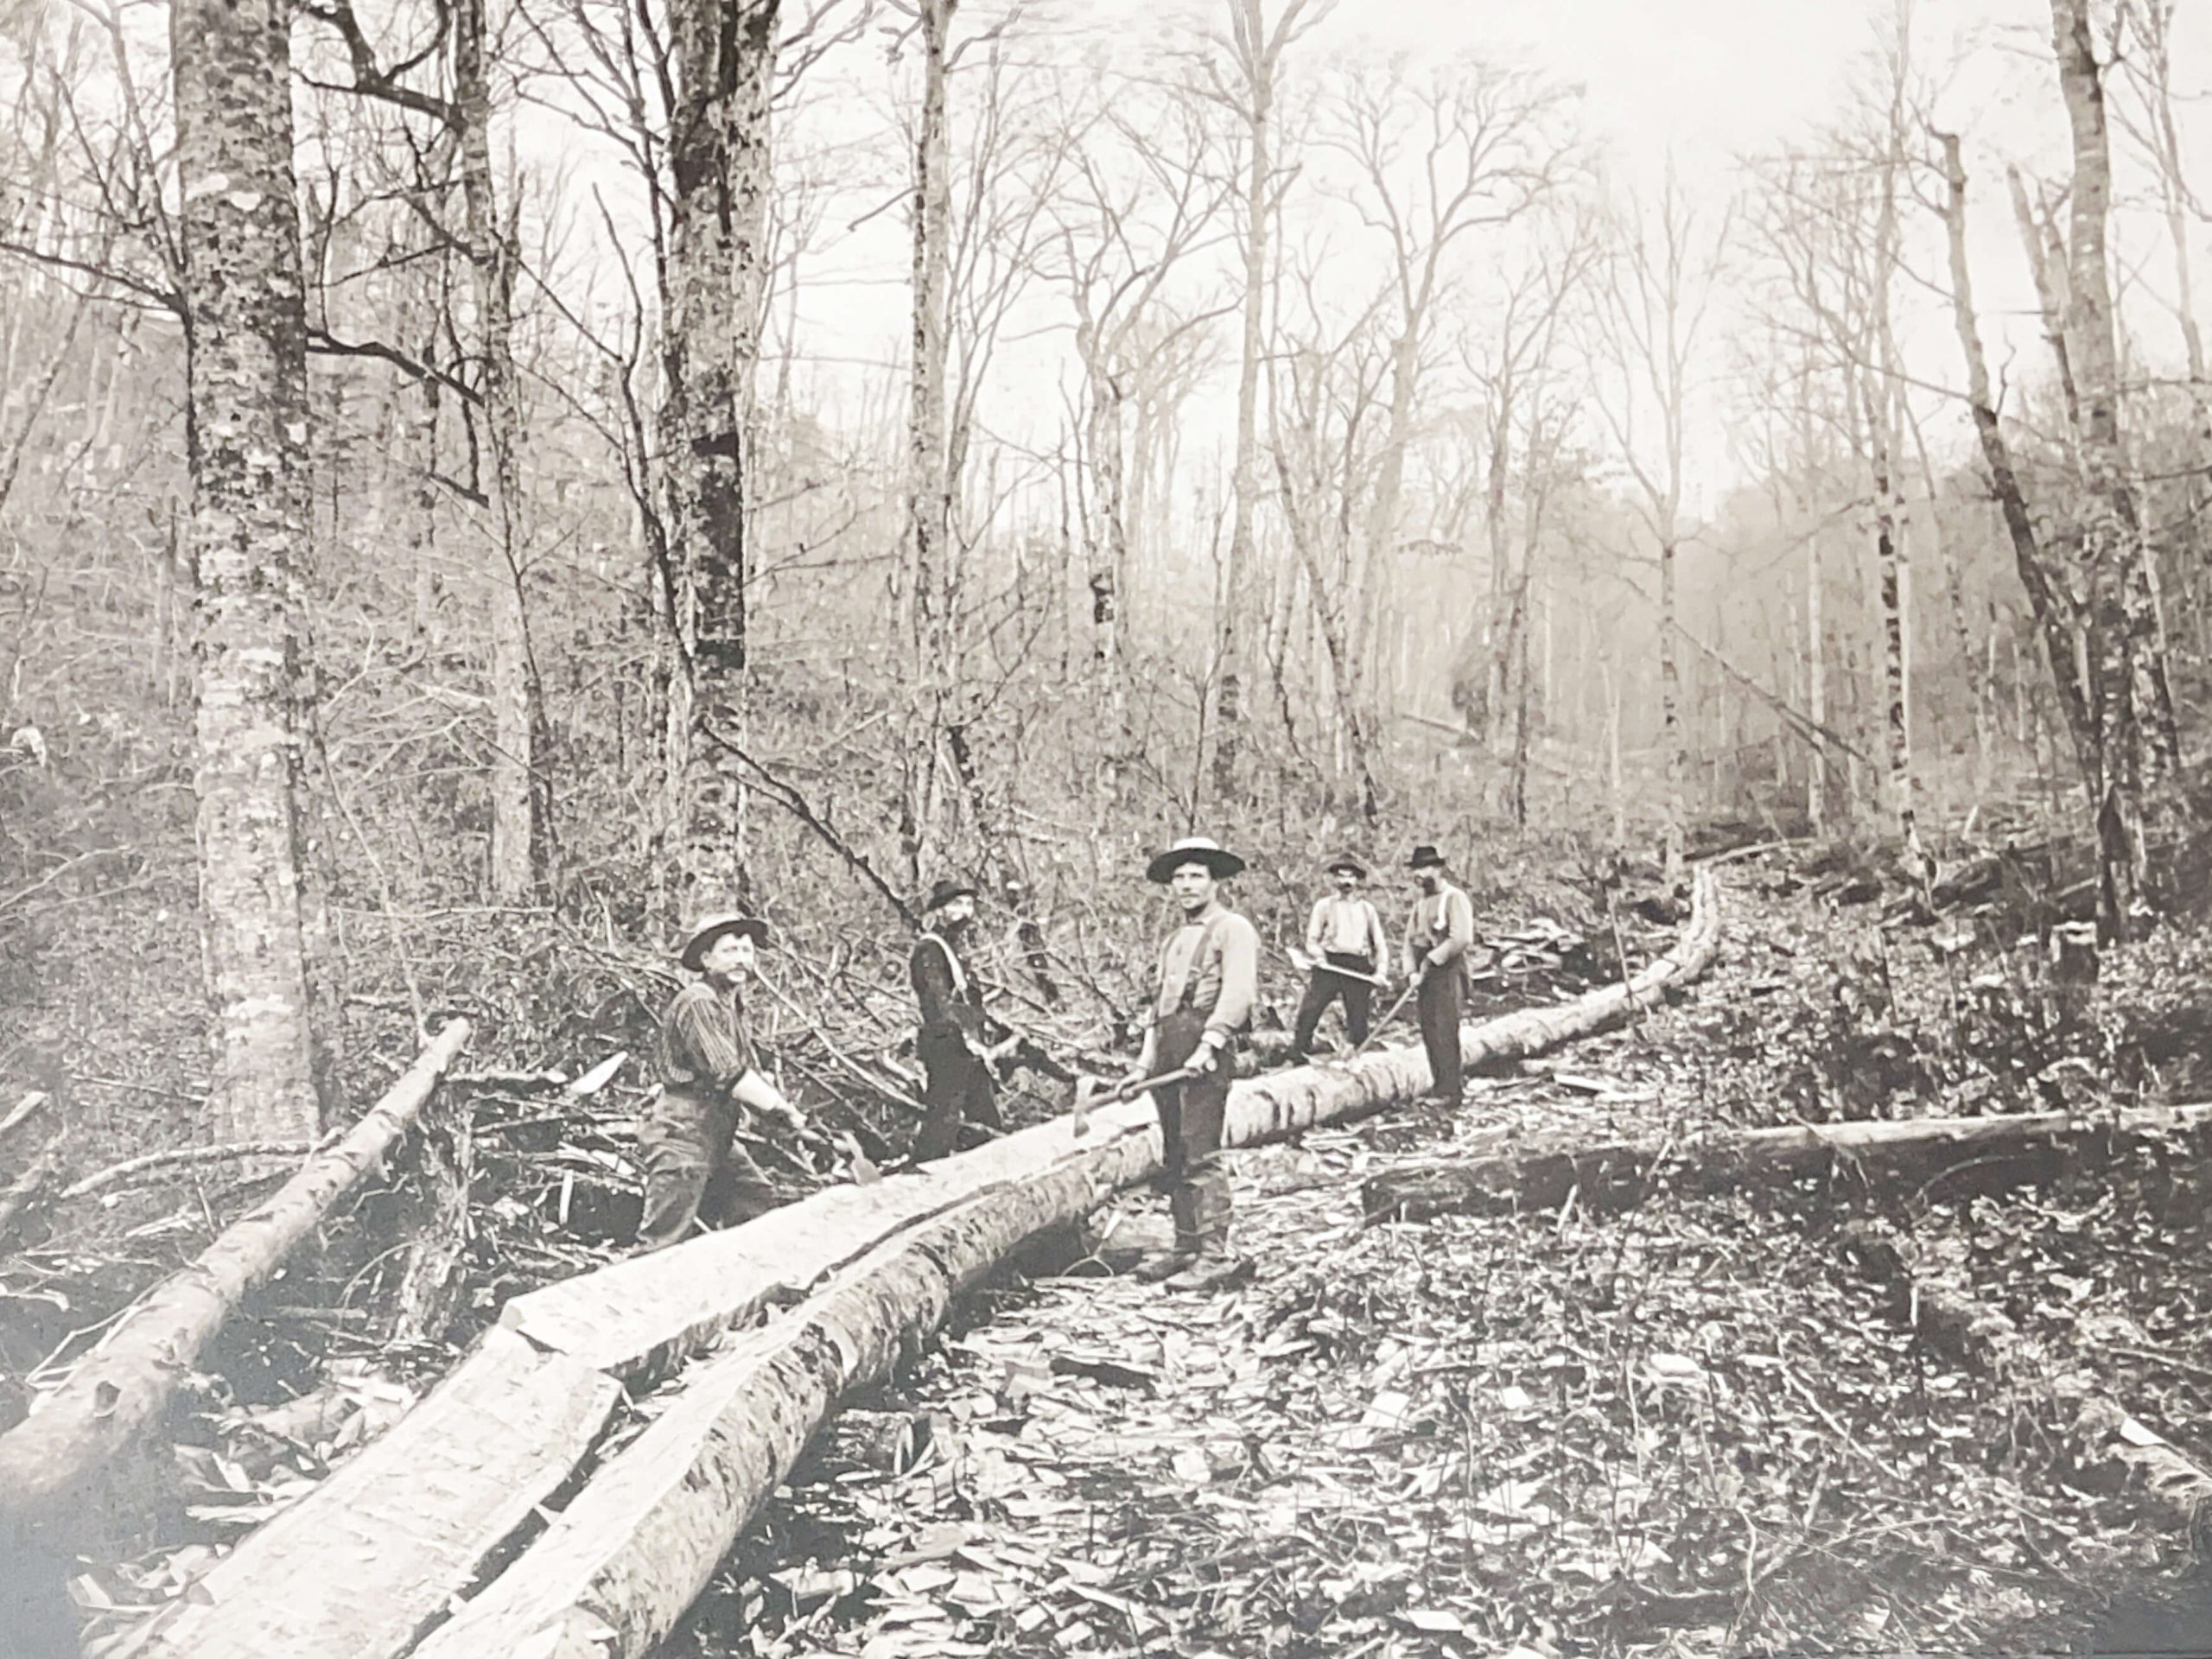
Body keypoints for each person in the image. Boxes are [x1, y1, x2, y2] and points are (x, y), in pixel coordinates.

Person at [1125, 836, 1260, 1292]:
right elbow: (1157, 1008)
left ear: (1214, 881)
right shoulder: (1173, 940)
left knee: (1201, 1152)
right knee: (1175, 1155)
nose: (1186, 885)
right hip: (1169, 1048)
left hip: (1205, 1049)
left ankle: (1215, 1254)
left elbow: (1240, 992)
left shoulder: (1233, 929)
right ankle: (1185, 1246)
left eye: (1196, 876)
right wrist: (1144, 1064)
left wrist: (1211, 1045)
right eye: (1179, 877)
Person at [637, 912, 809, 1252]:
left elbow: (747, 1071)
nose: (742, 960)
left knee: (754, 1198)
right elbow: (729, 1074)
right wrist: (782, 1110)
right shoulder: (698, 1002)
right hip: (682, 1131)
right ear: (706, 959)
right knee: (664, 1237)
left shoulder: (730, 1005)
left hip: (715, 1129)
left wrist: (782, 1115)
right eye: (730, 951)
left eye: (747, 951)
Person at [909, 876, 1011, 1162]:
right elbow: (939, 1001)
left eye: (969, 905)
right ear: (939, 910)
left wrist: (982, 1035)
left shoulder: (953, 949)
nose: (965, 912)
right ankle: (924, 1180)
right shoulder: (930, 949)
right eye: (957, 905)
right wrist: (966, 1038)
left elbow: (969, 1002)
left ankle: (993, 1172)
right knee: (943, 1119)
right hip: (947, 1044)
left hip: (967, 1044)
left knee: (985, 1117)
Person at [1290, 853, 1389, 1060]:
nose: (1346, 881)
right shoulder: (1324, 906)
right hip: (1330, 963)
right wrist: (1319, 957)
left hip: (1357, 965)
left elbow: (1379, 944)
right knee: (1310, 1010)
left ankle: (1360, 1060)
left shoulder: (1367, 910)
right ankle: (1298, 1053)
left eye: (1350, 877)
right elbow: (1312, 939)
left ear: (1357, 880)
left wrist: (1381, 970)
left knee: (1358, 1017)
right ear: (1334, 880)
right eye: (1341, 876)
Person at [1402, 844, 1475, 1106]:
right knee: (1429, 1029)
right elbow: (1409, 942)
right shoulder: (1420, 904)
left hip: (1447, 971)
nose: (1419, 875)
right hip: (1424, 973)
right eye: (1416, 870)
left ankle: (1451, 1092)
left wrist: (1434, 958)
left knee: (1446, 1029)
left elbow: (1462, 937)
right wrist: (1411, 971)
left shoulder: (1454, 898)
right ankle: (1439, 1085)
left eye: (1423, 868)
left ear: (1437, 869)